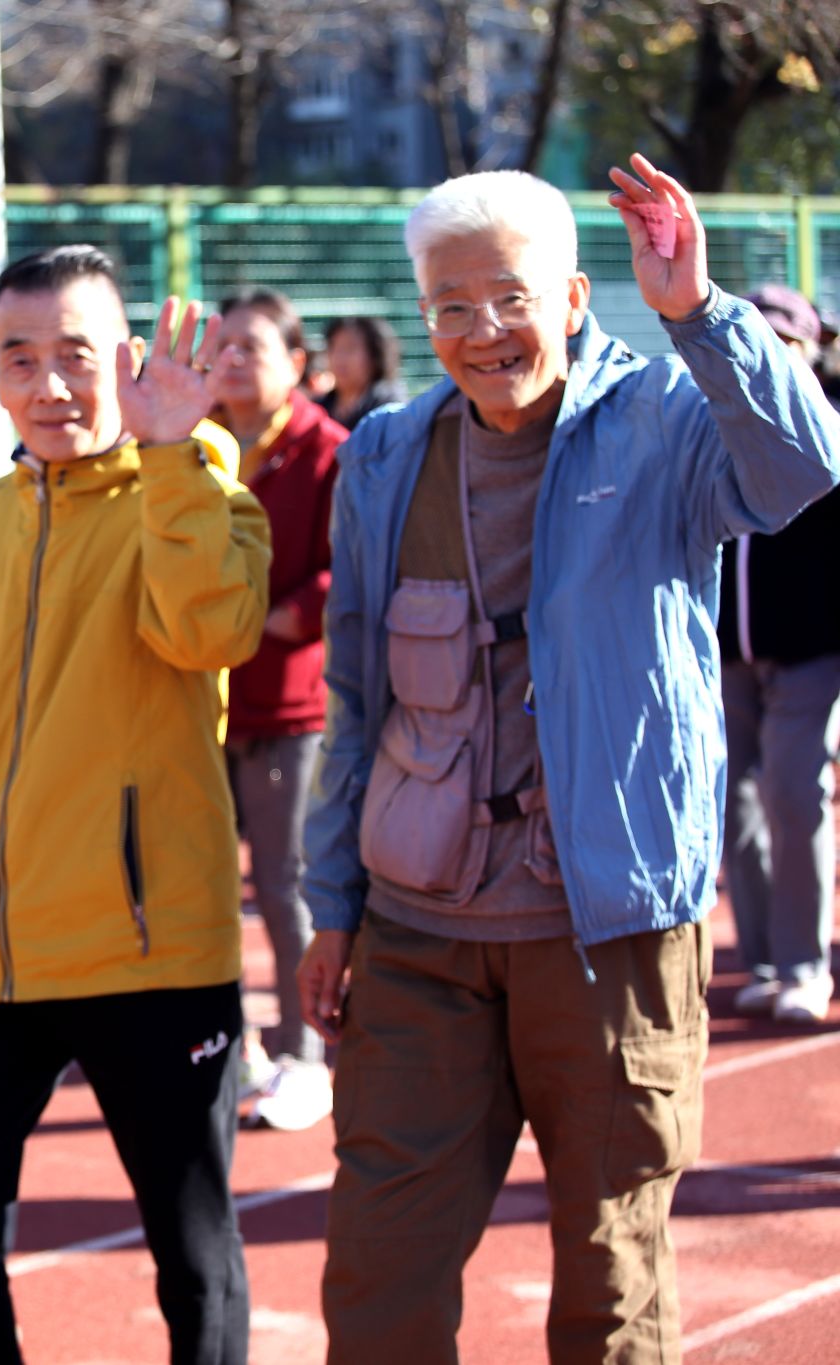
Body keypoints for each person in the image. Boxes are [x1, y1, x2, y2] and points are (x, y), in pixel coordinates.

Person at [297, 157, 840, 1363]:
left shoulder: (661, 420)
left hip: (604, 926)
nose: (482, 330)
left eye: (510, 297)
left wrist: (697, 312)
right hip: (418, 926)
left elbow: (803, 466)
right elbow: (356, 693)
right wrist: (331, 904)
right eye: (449, 305)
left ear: (573, 297)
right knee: (378, 1270)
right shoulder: (383, 454)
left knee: (609, 1272)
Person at [0, 244, 270, 1365]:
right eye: (20, 359)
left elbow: (210, 633)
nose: (49, 384)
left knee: (190, 1251)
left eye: (75, 354)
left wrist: (171, 456)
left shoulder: (200, 490)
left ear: (129, 359)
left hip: (152, 951)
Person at [209, 287, 346, 1130]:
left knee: (286, 883)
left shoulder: (329, 451)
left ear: (297, 364)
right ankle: (231, 1046)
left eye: (251, 347)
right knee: (198, 887)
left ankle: (305, 1052)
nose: (230, 361)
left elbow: (343, 575)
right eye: (220, 346)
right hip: (201, 703)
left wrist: (257, 617)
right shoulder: (193, 444)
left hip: (289, 710)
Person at [717, 283, 840, 1025]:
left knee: (794, 793)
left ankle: (803, 965)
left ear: (809, 347)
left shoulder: (830, 424)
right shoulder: (712, 420)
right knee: (733, 804)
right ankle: (762, 960)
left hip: (811, 651)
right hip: (727, 655)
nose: (765, 353)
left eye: (782, 339)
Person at [320, 314, 408, 430]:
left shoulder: (389, 408)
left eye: (350, 348)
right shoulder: (320, 408)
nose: (339, 357)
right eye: (334, 348)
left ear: (375, 355)